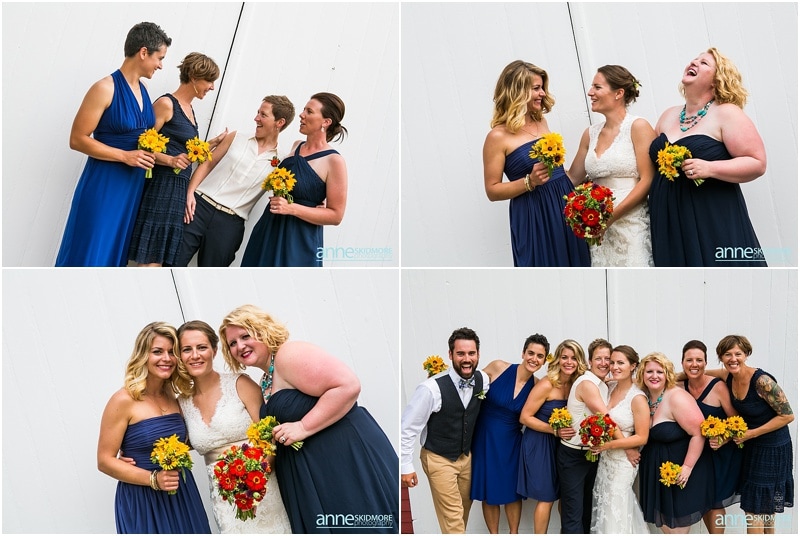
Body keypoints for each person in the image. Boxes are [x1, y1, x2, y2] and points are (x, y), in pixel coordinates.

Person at [219, 305, 398, 533]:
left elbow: (348, 385)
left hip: (344, 458)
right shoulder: (266, 380)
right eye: (232, 343)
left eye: (245, 336)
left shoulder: (289, 354)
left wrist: (304, 426)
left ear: (263, 331)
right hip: (318, 470)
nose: (240, 346)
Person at [56, 22, 172, 267]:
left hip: (131, 189)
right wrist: (125, 156)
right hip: (105, 184)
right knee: (92, 250)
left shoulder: (144, 90)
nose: (161, 65)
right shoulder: (104, 88)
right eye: (160, 58)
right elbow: (77, 139)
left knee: (112, 257)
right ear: (143, 52)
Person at [648, 48, 767, 267]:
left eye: (704, 63)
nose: (694, 62)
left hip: (709, 214)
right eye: (694, 59)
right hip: (667, 217)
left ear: (716, 81)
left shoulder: (726, 113)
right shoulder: (668, 115)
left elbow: (757, 163)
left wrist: (711, 169)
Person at [174, 320, 291, 533]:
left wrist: (255, 482)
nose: (195, 355)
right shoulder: (181, 403)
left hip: (262, 488)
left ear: (214, 350)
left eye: (202, 347)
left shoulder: (240, 384)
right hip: (224, 500)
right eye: (187, 349)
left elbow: (270, 436)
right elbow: (175, 443)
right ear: (179, 356)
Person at [96, 322, 211, 533]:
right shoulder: (123, 400)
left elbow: (187, 441)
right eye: (157, 352)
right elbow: (104, 461)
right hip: (143, 498)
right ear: (143, 355)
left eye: (171, 352)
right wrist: (153, 479)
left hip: (181, 493)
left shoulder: (175, 398)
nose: (166, 358)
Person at [482, 60, 590, 267]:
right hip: (534, 214)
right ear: (517, 91)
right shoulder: (497, 137)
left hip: (563, 204)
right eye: (536, 88)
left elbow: (557, 171)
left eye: (542, 88)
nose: (542, 93)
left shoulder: (541, 121)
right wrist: (529, 182)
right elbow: (492, 190)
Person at [546, 65, 656, 266]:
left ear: (618, 93)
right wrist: (540, 170)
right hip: (597, 227)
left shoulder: (638, 127)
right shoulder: (590, 134)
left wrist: (610, 218)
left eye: (597, 87)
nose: (590, 92)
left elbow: (648, 180)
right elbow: (572, 178)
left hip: (631, 225)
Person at [174, 95, 295, 266]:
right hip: (198, 209)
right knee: (172, 264)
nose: (256, 118)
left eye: (263, 115)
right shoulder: (236, 137)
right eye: (257, 112)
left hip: (230, 224)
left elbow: (287, 192)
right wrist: (189, 193)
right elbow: (207, 164)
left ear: (280, 122)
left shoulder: (281, 161)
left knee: (211, 276)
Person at [128, 52, 225, 266]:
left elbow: (184, 152)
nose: (212, 87)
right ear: (194, 77)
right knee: (150, 259)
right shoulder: (166, 104)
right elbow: (140, 145)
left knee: (159, 259)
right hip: (160, 187)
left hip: (177, 190)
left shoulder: (189, 109)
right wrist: (170, 161)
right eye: (209, 81)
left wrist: (213, 143)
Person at [241, 92, 348, 267]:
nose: (301, 115)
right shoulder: (296, 146)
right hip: (270, 228)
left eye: (309, 111)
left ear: (326, 122)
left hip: (299, 240)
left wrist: (292, 208)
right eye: (304, 110)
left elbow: (336, 215)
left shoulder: (334, 161)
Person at [401, 327, 490, 533]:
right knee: (453, 518)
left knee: (462, 513)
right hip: (438, 457)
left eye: (471, 353)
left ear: (478, 354)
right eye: (460, 353)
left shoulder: (483, 380)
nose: (466, 359)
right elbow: (407, 427)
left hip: (466, 457)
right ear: (450, 355)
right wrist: (405, 466)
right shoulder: (431, 389)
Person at [715, 335, 794, 533]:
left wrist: (752, 433)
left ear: (746, 355)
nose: (733, 359)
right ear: (721, 357)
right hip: (752, 447)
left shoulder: (762, 381)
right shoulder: (727, 376)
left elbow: (787, 416)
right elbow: (698, 373)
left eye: (738, 354)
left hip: (773, 447)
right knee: (764, 506)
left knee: (755, 508)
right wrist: (671, 376)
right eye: (727, 354)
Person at [470, 334, 546, 533]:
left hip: (512, 443)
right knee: (489, 491)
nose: (534, 359)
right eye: (531, 353)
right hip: (484, 439)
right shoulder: (498, 367)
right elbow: (469, 385)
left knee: (512, 491)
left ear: (544, 361)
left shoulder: (537, 385)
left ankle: (514, 533)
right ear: (523, 353)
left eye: (540, 356)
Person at [637, 352, 714, 533]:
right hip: (656, 472)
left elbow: (698, 433)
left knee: (678, 529)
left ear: (668, 374)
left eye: (660, 372)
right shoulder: (644, 397)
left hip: (680, 471)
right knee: (666, 527)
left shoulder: (676, 397)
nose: (654, 376)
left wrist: (686, 468)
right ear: (642, 374)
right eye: (649, 372)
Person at [518, 339, 586, 534]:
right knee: (547, 496)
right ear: (557, 359)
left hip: (562, 445)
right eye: (564, 357)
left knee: (566, 495)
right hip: (539, 442)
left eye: (574, 358)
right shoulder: (547, 384)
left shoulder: (576, 384)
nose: (569, 362)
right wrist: (554, 430)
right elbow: (525, 417)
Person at [679, 340, 741, 534]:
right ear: (682, 363)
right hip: (694, 454)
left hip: (719, 454)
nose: (694, 364)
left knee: (714, 503)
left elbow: (737, 422)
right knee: (701, 501)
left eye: (699, 360)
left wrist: (724, 438)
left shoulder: (718, 387)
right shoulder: (678, 386)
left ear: (706, 363)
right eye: (689, 360)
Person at [589, 345, 649, 533]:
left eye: (620, 363)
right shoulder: (609, 386)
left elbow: (642, 437)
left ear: (633, 366)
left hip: (623, 463)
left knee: (617, 507)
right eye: (612, 362)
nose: (614, 367)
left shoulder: (638, 398)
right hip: (606, 460)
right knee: (604, 506)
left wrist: (608, 445)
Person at [556, 338, 612, 533]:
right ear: (589, 361)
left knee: (587, 512)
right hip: (573, 456)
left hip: (592, 455)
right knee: (573, 514)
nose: (603, 363)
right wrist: (628, 447)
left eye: (607, 359)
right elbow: (607, 419)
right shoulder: (587, 384)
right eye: (598, 359)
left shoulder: (601, 383)